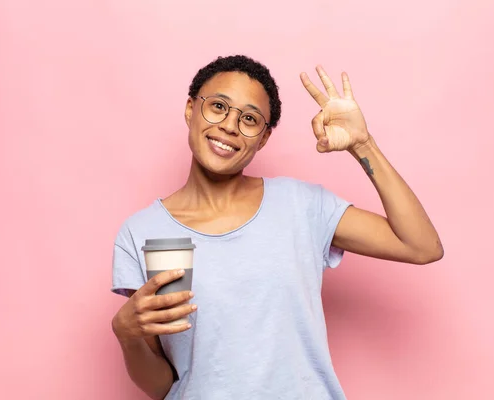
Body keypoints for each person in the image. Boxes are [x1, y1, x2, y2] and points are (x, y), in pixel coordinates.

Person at [110, 55, 443, 400]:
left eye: (250, 118)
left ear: (264, 138)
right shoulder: (143, 232)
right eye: (218, 106)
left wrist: (363, 144)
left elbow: (421, 246)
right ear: (190, 109)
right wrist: (126, 334)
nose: (229, 126)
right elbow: (164, 385)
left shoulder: (301, 206)